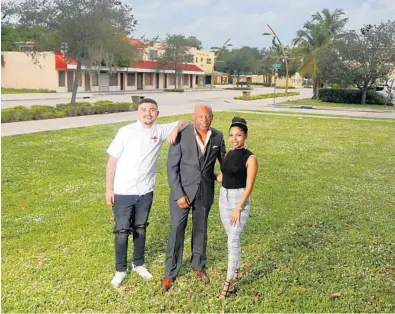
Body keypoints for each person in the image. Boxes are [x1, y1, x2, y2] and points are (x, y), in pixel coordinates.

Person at [106, 97, 190, 288]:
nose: (148, 113)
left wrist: (176, 128)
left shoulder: (160, 130)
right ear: (138, 112)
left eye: (152, 110)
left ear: (157, 113)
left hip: (145, 191)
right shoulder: (125, 131)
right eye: (144, 109)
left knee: (140, 229)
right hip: (122, 191)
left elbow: (186, 121)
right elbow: (112, 161)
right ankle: (120, 270)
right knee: (121, 232)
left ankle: (138, 264)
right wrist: (109, 188)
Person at [162, 104, 226, 291]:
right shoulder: (181, 135)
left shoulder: (218, 136)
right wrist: (179, 194)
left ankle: (198, 265)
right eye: (200, 116)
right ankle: (170, 272)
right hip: (182, 193)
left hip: (204, 192)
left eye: (208, 116)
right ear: (194, 116)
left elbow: (224, 161)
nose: (204, 120)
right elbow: (172, 169)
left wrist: (227, 169)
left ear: (212, 117)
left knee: (201, 230)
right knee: (176, 231)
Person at [216, 117, 258, 298]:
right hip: (223, 198)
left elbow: (249, 186)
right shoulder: (228, 154)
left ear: (245, 136)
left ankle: (228, 281)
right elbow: (225, 177)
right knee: (232, 237)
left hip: (238, 201)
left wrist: (238, 207)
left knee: (232, 241)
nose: (234, 138)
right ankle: (238, 269)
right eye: (231, 135)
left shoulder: (251, 158)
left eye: (238, 135)